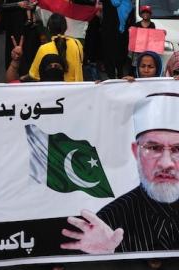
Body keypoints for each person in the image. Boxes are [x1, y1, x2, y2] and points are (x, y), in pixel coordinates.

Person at [61, 93, 179, 253]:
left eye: (177, 149)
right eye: (153, 148)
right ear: (135, 151)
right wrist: (105, 258)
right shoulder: (109, 219)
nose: (166, 163)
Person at [29, 13, 83, 82]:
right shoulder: (77, 44)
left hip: (52, 91)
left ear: (48, 28)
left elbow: (34, 75)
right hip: (76, 90)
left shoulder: (43, 49)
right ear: (65, 27)